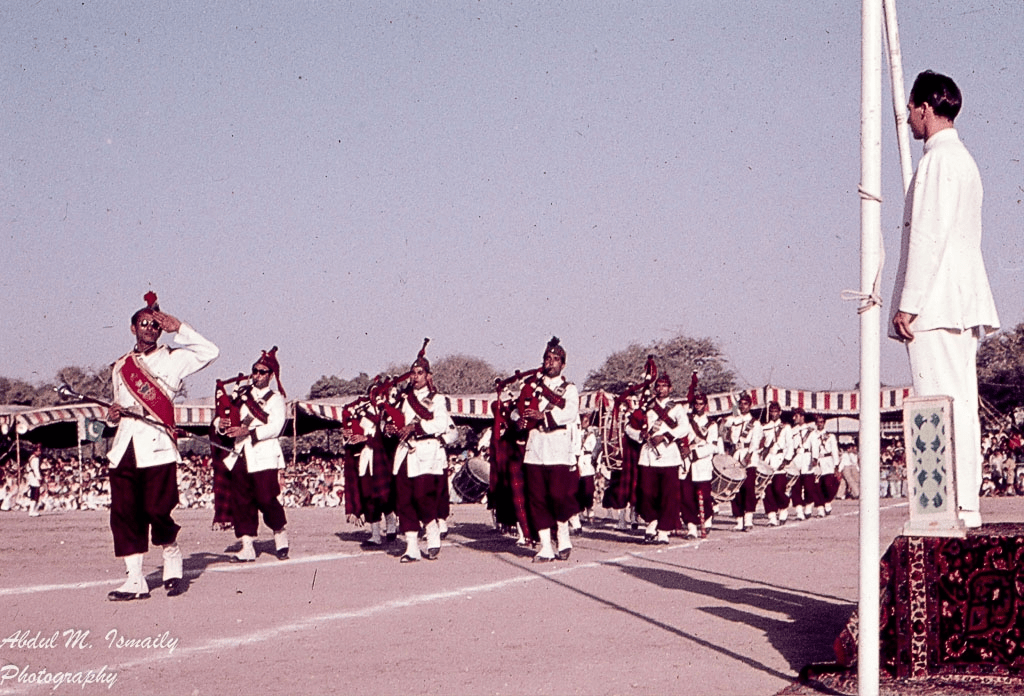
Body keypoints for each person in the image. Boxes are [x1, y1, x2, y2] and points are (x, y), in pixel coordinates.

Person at [890, 71, 1000, 529]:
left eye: (912, 110)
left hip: (936, 303)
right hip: (955, 299)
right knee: (956, 402)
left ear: (925, 108)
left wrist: (909, 303)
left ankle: (946, 506)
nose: (910, 120)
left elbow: (929, 238)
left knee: (939, 403)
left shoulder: (938, 162)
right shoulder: (962, 160)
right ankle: (962, 505)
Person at [105, 293, 219, 601]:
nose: (150, 329)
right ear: (133, 328)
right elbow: (119, 408)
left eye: (156, 325)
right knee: (125, 513)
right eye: (144, 323)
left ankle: (171, 554)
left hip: (157, 447)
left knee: (157, 510)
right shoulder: (121, 367)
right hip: (125, 447)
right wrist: (112, 417)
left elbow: (211, 351)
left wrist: (179, 326)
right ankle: (134, 580)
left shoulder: (173, 357)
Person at [219, 347, 290, 563]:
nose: (257, 375)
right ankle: (247, 546)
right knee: (242, 501)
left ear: (270, 375)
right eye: (255, 371)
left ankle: (279, 533)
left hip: (264, 455)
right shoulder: (240, 395)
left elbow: (276, 427)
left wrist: (248, 431)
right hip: (241, 454)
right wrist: (222, 425)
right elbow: (227, 416)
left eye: (262, 372)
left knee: (266, 499)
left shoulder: (276, 399)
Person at [390, 349, 457, 562]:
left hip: (427, 452)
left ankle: (432, 529)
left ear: (428, 376)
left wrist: (415, 427)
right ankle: (411, 547)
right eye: (413, 372)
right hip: (405, 453)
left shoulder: (437, 399)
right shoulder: (404, 399)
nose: (415, 377)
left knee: (422, 497)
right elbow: (394, 421)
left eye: (420, 372)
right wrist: (391, 428)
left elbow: (441, 424)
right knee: (404, 500)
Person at [521, 337, 580, 562]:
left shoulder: (569, 389)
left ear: (563, 364)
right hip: (535, 448)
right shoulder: (531, 386)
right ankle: (545, 546)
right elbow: (520, 409)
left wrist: (543, 416)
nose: (551, 363)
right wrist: (520, 419)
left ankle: (563, 534)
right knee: (537, 499)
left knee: (558, 496)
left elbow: (570, 413)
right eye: (548, 358)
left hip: (558, 448)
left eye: (556, 359)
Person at [626, 373, 685, 544]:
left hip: (669, 456)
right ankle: (651, 521)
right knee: (646, 493)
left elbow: (684, 428)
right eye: (658, 386)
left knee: (668, 495)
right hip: (648, 456)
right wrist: (640, 433)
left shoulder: (677, 408)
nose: (660, 389)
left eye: (664, 386)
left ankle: (663, 531)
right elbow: (629, 428)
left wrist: (666, 436)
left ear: (670, 388)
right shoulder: (646, 407)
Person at [680, 392, 719, 539]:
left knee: (705, 497)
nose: (698, 406)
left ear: (705, 405)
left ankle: (707, 517)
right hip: (687, 464)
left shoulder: (711, 425)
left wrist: (694, 451)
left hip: (701, 463)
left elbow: (713, 447)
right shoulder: (687, 420)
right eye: (696, 403)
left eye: (701, 403)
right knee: (687, 497)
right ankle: (691, 527)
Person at [724, 393, 763, 531]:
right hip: (736, 456)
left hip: (749, 458)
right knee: (735, 489)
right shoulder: (734, 420)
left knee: (748, 488)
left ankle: (748, 520)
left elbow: (756, 441)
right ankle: (739, 520)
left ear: (750, 405)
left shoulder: (755, 423)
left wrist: (749, 454)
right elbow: (725, 431)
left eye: (745, 403)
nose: (742, 406)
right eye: (741, 403)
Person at [759, 401, 792, 526]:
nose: (773, 414)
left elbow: (790, 445)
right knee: (767, 491)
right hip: (767, 461)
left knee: (778, 489)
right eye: (771, 412)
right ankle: (772, 516)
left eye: (775, 412)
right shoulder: (765, 427)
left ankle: (784, 507)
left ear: (780, 412)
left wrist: (786, 460)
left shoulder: (785, 427)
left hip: (779, 459)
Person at [810, 414, 840, 515]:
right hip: (817, 461)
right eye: (818, 422)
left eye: (822, 422)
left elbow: (835, 450)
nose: (820, 424)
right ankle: (820, 507)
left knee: (828, 484)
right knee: (817, 486)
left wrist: (836, 464)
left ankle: (827, 501)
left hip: (828, 461)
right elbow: (811, 448)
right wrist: (813, 460)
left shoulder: (830, 436)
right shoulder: (812, 435)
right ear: (815, 423)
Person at [26, 444, 43, 517]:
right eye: (38, 451)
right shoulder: (35, 459)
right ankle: (32, 510)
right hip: (34, 476)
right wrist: (39, 478)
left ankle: (32, 510)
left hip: (31, 476)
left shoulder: (31, 458)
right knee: (35, 493)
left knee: (34, 493)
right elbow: (36, 469)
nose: (40, 452)